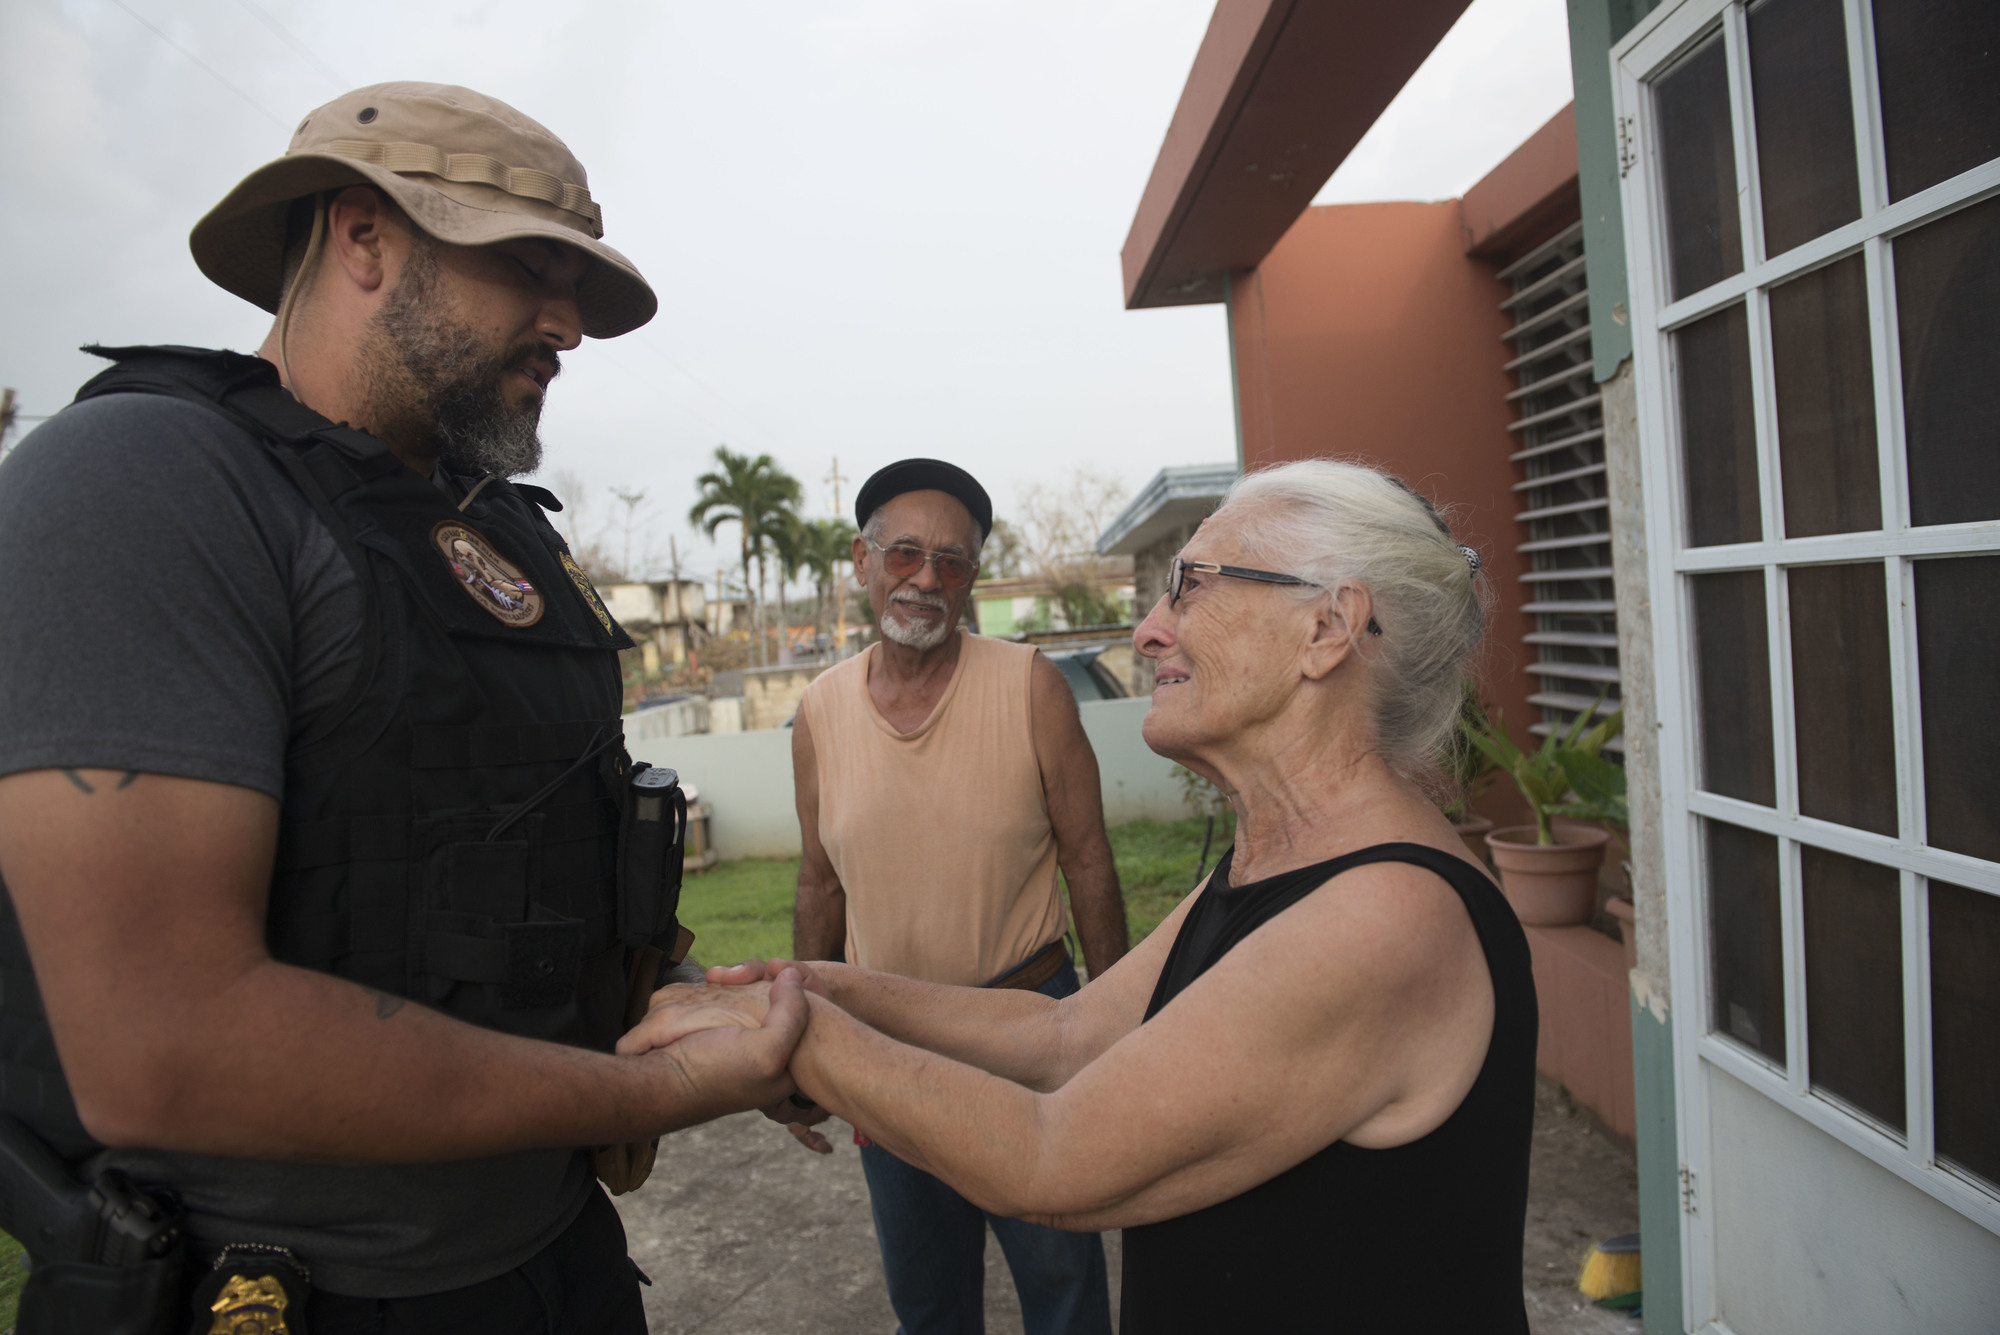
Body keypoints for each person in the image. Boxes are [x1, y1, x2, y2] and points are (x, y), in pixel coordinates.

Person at [0, 83, 807, 1333]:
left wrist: (695, 997)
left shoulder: (490, 538)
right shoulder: (148, 487)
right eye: (527, 267)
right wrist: (655, 1091)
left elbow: (495, 885)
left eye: (576, 290)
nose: (566, 325)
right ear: (362, 235)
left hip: (553, 1263)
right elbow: (165, 1045)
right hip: (283, 1295)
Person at [633, 458, 1537, 1333]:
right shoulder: (1284, 859)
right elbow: (1063, 1035)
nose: (1147, 629)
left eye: (1191, 585)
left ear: (1328, 630)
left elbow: (1051, 1155)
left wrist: (792, 1033)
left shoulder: (1383, 912)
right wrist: (821, 986)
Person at [786, 457, 1127, 1335]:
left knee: (1065, 1291)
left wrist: (1120, 1024)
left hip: (1026, 1031)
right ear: (861, 563)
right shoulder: (820, 711)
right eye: (904, 554)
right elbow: (818, 880)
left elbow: (1088, 859)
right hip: (888, 1047)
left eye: (953, 561)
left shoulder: (1030, 687)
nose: (927, 580)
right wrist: (802, 1035)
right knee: (929, 1301)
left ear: (974, 576)